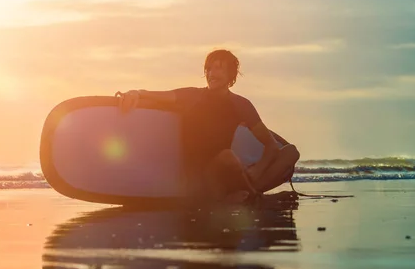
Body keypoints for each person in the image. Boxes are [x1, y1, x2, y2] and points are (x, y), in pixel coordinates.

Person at [116, 49, 300, 203]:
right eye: (209, 69)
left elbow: (271, 146)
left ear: (231, 74)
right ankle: (253, 196)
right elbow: (154, 95)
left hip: (231, 174)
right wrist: (134, 93)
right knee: (227, 156)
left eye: (218, 68)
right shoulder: (192, 96)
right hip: (202, 177)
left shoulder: (241, 105)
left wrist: (258, 170)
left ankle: (245, 194)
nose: (211, 73)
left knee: (291, 151)